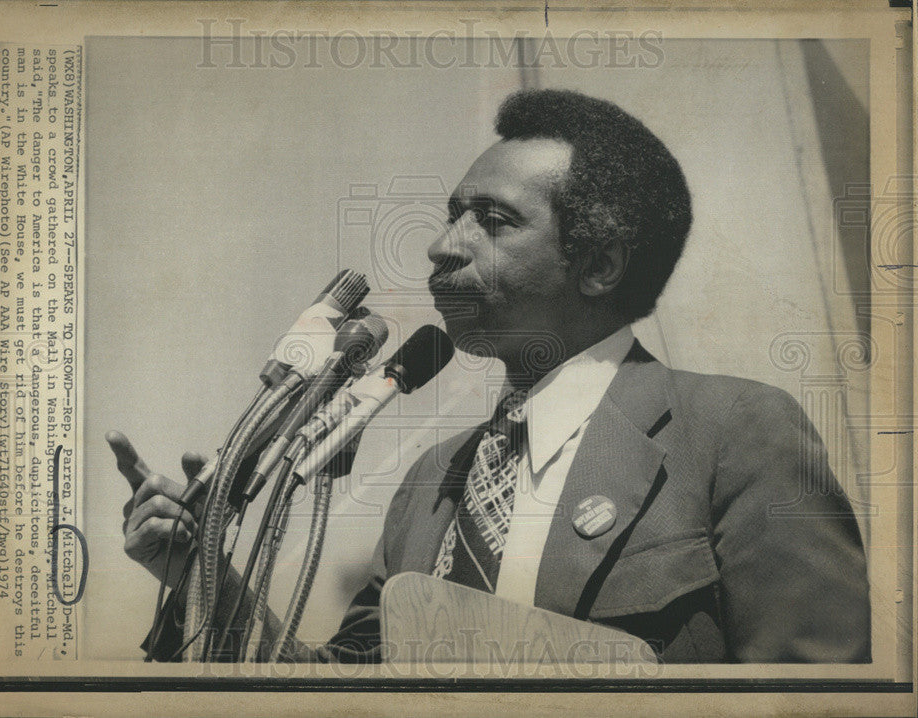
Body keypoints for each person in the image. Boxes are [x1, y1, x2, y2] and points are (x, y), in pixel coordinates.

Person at [112, 88, 870, 664]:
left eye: (495, 221)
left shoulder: (734, 433)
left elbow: (818, 697)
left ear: (601, 264)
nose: (443, 245)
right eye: (451, 215)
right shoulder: (429, 481)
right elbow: (341, 692)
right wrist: (201, 574)